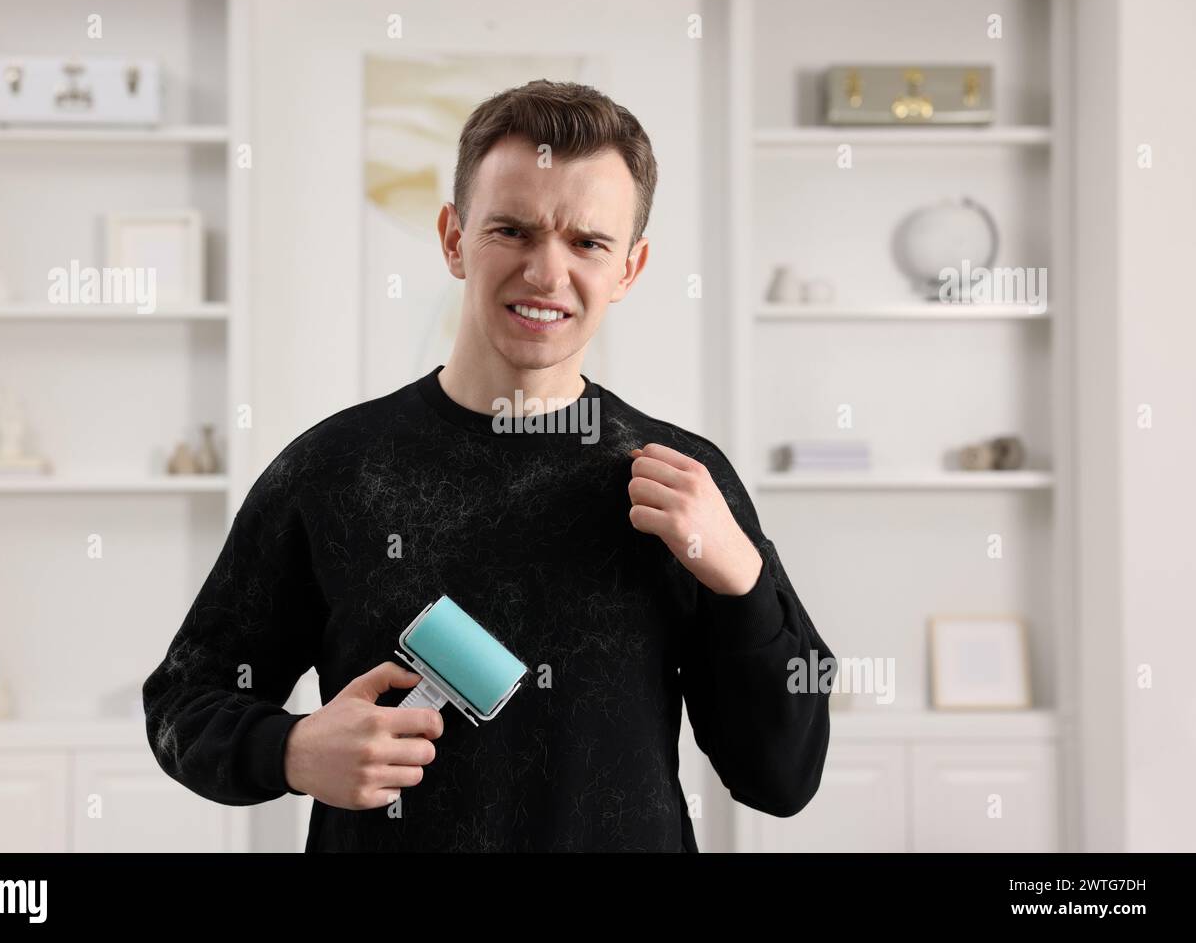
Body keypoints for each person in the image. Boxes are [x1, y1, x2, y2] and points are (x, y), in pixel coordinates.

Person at [142, 79, 835, 852]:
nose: (546, 272)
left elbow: (782, 777)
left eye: (587, 243)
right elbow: (182, 700)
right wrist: (293, 749)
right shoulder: (331, 471)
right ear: (452, 238)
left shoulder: (684, 481)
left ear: (630, 269)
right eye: (512, 230)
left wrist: (742, 577)